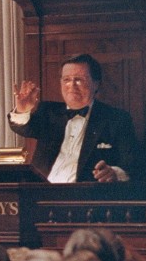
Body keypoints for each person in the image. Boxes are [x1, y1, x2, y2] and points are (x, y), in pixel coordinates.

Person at [9, 54, 138, 183]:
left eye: (79, 79)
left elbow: (132, 165)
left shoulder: (117, 119)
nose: (72, 85)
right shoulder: (48, 112)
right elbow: (23, 129)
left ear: (96, 84)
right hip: (40, 194)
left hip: (83, 198)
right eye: (66, 79)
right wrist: (22, 109)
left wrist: (114, 173)